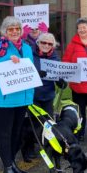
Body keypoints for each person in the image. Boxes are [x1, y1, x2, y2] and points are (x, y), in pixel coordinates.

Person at [0, 16, 34, 173]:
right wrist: (6, 59)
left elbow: (30, 70)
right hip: (5, 99)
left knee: (17, 133)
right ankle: (7, 168)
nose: (14, 31)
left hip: (22, 98)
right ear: (4, 32)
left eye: (17, 29)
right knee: (5, 134)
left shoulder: (27, 48)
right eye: (10, 29)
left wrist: (30, 95)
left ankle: (12, 162)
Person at [21, 32, 65, 162]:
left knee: (48, 124)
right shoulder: (30, 55)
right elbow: (24, 73)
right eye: (43, 42)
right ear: (38, 43)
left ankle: (46, 147)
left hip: (48, 96)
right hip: (33, 95)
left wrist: (61, 82)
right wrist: (36, 74)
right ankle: (28, 149)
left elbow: (58, 78)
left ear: (53, 46)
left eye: (49, 43)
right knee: (32, 124)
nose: (46, 45)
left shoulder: (56, 59)